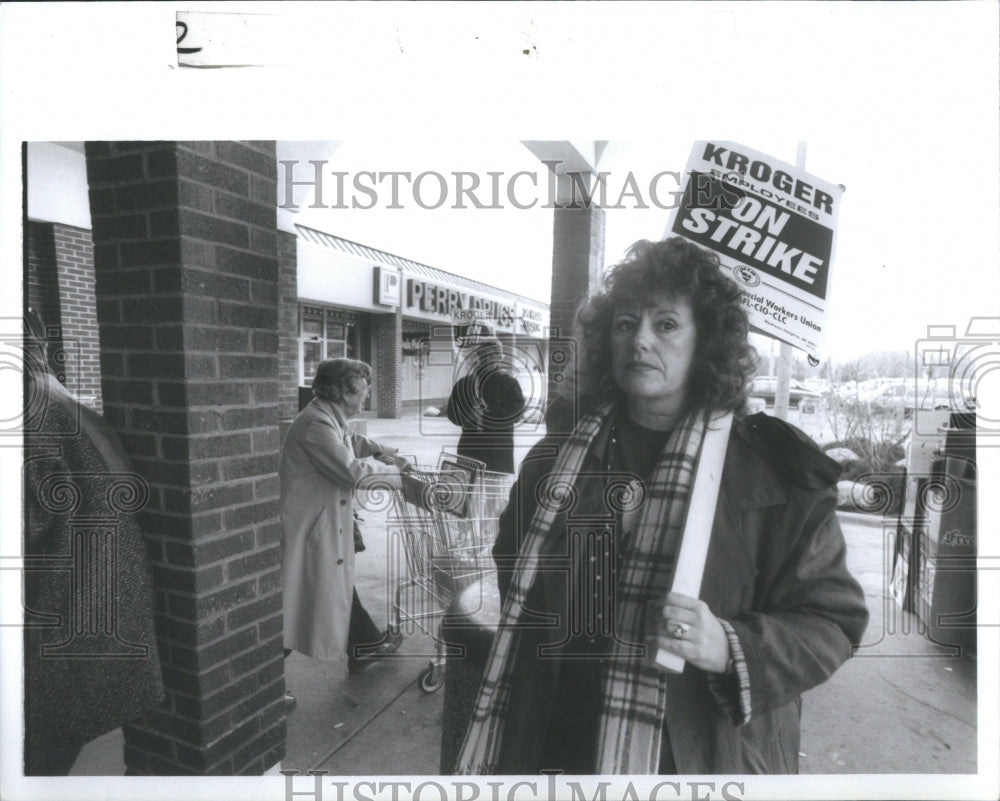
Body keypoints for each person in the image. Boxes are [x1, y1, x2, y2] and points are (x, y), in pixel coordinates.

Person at [455, 238, 869, 775]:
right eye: (626, 323)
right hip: (560, 740)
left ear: (707, 342)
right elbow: (513, 563)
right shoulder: (552, 461)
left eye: (666, 324)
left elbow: (833, 621)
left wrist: (729, 644)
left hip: (702, 754)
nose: (641, 340)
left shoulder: (773, 474)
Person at [21, 309, 164, 775]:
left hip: (70, 613)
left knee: (43, 753)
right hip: (106, 602)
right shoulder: (58, 400)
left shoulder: (27, 416)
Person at [280, 358, 408, 694]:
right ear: (341, 391)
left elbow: (352, 443)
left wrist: (386, 453)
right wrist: (401, 477)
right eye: (363, 390)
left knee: (332, 587)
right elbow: (352, 470)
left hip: (322, 525)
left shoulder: (327, 418)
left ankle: (365, 645)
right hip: (311, 530)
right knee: (295, 603)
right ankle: (260, 683)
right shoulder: (316, 425)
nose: (366, 397)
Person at [446, 339, 525, 474]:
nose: (488, 360)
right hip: (470, 449)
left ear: (500, 358)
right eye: (484, 355)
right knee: (470, 491)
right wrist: (468, 416)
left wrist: (489, 413)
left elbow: (517, 413)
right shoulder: (464, 384)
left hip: (498, 451)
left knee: (494, 492)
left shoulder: (509, 383)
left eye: (492, 356)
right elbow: (452, 413)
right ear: (478, 357)